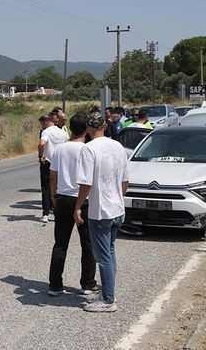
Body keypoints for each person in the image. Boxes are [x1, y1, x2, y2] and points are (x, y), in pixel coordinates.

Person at [74, 111, 129, 313]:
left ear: (88, 128)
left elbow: (86, 183)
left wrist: (78, 206)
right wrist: (117, 196)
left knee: (103, 256)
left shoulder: (88, 149)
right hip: (117, 208)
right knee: (110, 252)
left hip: (100, 210)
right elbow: (125, 181)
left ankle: (108, 300)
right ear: (104, 126)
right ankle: (108, 291)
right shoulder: (118, 146)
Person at [47, 113, 98, 297]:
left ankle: (55, 285)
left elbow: (53, 175)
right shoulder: (87, 149)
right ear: (86, 129)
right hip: (82, 199)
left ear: (70, 128)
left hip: (62, 198)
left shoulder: (60, 149)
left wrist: (54, 195)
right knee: (88, 244)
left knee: (60, 243)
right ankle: (87, 283)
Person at [38, 114, 68, 223]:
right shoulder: (62, 132)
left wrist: (40, 156)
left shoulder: (46, 132)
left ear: (45, 122)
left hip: (48, 162)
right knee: (58, 189)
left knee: (46, 189)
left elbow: (42, 144)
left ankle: (45, 213)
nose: (41, 126)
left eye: (41, 124)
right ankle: (57, 213)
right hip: (60, 163)